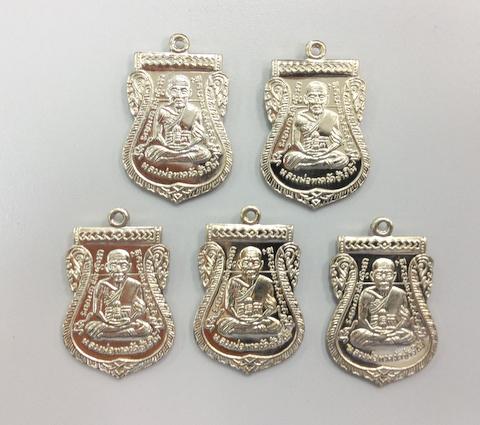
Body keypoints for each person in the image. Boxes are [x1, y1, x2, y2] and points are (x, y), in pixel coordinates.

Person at [143, 74, 212, 164]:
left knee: (205, 153)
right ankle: (181, 157)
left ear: (190, 93)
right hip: (167, 147)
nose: (179, 95)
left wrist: (190, 144)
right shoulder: (163, 110)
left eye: (183, 91)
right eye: (174, 91)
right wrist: (166, 145)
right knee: (149, 152)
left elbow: (199, 136)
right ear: (168, 92)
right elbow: (157, 134)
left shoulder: (194, 111)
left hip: (188, 148)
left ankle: (168, 159)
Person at [349, 258, 416, 350]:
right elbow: (362, 318)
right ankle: (387, 341)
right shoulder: (366, 293)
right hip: (373, 332)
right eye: (379, 274)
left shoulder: (400, 293)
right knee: (355, 335)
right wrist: (372, 329)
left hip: (393, 331)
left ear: (394, 276)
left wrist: (399, 325)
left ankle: (379, 341)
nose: (384, 278)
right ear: (372, 276)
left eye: (388, 274)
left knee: (410, 335)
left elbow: (404, 319)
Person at [216, 246, 282, 340]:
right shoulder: (233, 281)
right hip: (239, 320)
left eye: (255, 263)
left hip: (258, 320)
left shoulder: (266, 282)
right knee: (222, 324)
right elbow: (228, 306)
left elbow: (270, 308)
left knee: (276, 324)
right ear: (239, 264)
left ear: (261, 265)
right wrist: (239, 318)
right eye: (246, 263)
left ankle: (245, 329)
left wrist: (264, 314)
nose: (250, 266)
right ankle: (253, 329)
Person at [85, 249, 152, 339]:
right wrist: (107, 321)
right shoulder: (102, 284)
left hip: (128, 322)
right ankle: (121, 332)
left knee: (146, 328)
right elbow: (96, 310)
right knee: (89, 327)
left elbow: (139, 311)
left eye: (123, 265)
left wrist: (140, 311)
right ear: (107, 267)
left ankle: (108, 334)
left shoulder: (135, 285)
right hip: (108, 322)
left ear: (129, 267)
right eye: (113, 266)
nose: (118, 270)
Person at [282, 81, 349, 171]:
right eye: (312, 96)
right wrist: (305, 151)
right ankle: (321, 164)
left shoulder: (332, 116)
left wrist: (326, 151)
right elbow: (296, 141)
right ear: (306, 98)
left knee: (343, 158)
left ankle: (306, 166)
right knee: (288, 159)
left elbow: (337, 142)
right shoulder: (300, 116)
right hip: (305, 153)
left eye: (321, 97)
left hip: (325, 153)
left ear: (327, 99)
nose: (317, 100)